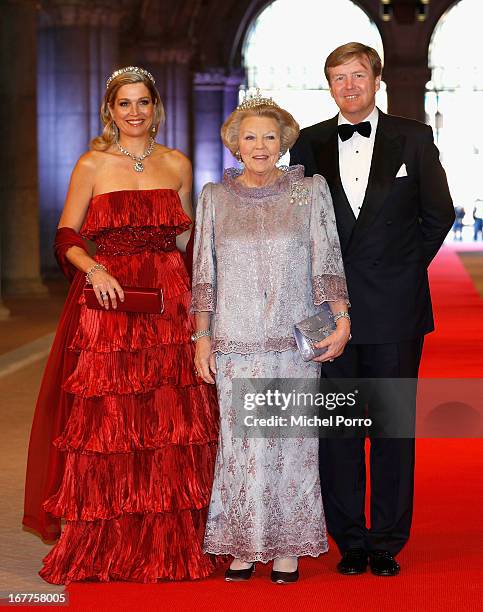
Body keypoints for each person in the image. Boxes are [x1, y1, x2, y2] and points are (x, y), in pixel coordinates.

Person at [23, 66, 219, 583]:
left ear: (157, 108)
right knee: (109, 424)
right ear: (110, 111)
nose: (134, 112)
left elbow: (185, 241)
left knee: (168, 421)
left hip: (168, 301)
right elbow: (66, 235)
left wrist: (212, 287)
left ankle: (169, 542)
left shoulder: (177, 163)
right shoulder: (92, 164)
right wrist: (95, 268)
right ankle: (105, 542)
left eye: (143, 103)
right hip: (108, 305)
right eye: (124, 104)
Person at [290, 42, 454, 577]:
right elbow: (298, 227)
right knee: (338, 431)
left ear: (377, 80)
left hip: (394, 308)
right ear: (329, 85)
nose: (349, 86)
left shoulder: (413, 137)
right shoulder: (309, 143)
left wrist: (405, 270)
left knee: (389, 429)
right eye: (338, 77)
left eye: (358, 76)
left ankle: (385, 540)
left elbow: (438, 213)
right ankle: (350, 541)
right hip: (327, 308)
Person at [191, 93, 350, 583]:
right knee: (241, 446)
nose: (260, 145)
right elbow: (203, 273)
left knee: (292, 443)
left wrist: (341, 319)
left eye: (269, 136)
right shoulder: (214, 197)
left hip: (295, 341)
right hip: (234, 341)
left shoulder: (310, 190)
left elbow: (327, 259)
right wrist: (201, 336)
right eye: (250, 136)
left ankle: (287, 547)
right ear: (235, 144)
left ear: (284, 142)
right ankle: (242, 544)